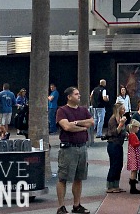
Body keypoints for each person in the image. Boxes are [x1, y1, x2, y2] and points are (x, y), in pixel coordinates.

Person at [55, 86, 94, 214]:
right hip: (68, 149)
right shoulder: (62, 111)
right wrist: (82, 128)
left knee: (79, 178)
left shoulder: (83, 110)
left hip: (82, 148)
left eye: (79, 94)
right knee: (63, 178)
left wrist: (76, 123)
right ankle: (61, 207)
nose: (79, 96)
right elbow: (66, 127)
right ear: (69, 97)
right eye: (76, 94)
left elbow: (91, 122)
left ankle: (76, 205)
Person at [104, 103, 128, 193]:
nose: (124, 110)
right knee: (114, 165)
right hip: (113, 144)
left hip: (119, 144)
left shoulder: (120, 118)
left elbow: (122, 132)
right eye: (122, 109)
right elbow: (114, 132)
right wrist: (121, 124)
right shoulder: (113, 119)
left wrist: (126, 133)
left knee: (119, 165)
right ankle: (110, 186)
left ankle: (116, 185)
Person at [126, 119, 140, 194]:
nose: (138, 129)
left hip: (133, 154)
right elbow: (134, 144)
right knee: (134, 170)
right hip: (134, 154)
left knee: (134, 170)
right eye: (138, 128)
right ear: (134, 127)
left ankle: (133, 185)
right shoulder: (132, 135)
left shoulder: (132, 135)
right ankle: (132, 186)